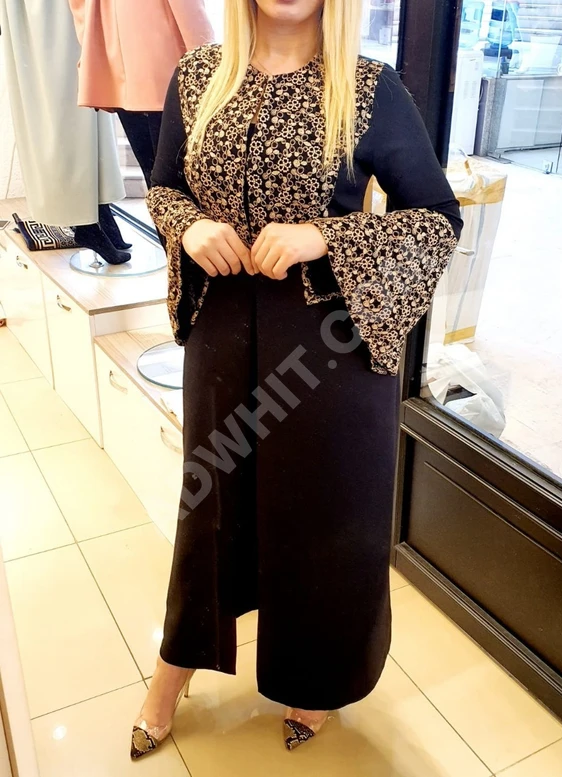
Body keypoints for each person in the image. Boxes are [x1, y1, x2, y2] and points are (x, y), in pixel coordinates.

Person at [131, 0, 462, 759]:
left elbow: (437, 218)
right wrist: (189, 226)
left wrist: (324, 236)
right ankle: (172, 670)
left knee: (320, 517)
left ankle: (314, 678)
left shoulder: (368, 87)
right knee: (210, 506)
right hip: (222, 337)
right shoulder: (198, 77)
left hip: (327, 349)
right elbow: (163, 186)